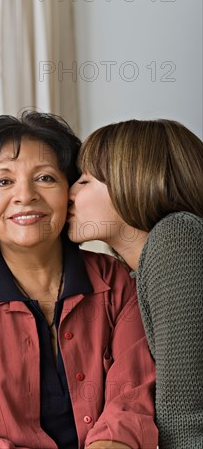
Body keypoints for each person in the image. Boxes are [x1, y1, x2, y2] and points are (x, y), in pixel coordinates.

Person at [0, 111, 158, 449]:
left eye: (45, 178)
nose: (25, 195)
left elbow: (132, 398)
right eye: (3, 182)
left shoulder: (118, 283)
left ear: (69, 192)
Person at [67, 119, 203, 449]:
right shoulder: (142, 267)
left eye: (84, 180)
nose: (69, 192)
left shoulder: (176, 239)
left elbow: (186, 420)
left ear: (133, 180)